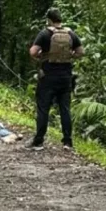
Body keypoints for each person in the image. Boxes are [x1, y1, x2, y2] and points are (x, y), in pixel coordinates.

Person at [29, 8, 83, 150]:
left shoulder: (45, 33)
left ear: (49, 20)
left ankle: (39, 141)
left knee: (43, 108)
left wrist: (41, 55)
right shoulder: (70, 33)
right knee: (65, 109)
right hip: (65, 77)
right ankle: (67, 142)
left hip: (48, 77)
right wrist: (70, 55)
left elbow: (33, 51)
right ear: (60, 19)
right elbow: (80, 52)